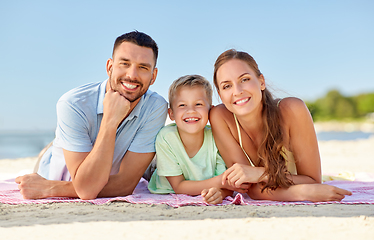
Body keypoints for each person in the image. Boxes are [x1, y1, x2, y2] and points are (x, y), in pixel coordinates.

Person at [15, 31, 168, 200]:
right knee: (54, 154)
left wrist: (52, 189)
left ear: (153, 76)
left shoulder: (156, 106)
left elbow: (124, 184)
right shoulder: (73, 103)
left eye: (143, 67)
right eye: (124, 64)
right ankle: (48, 150)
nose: (132, 75)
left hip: (95, 174)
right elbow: (87, 190)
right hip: (52, 168)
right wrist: (110, 120)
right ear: (110, 67)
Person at [209, 49, 352, 202]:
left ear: (261, 82)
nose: (237, 91)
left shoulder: (292, 110)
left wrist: (258, 174)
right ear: (220, 95)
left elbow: (312, 181)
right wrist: (301, 193)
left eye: (244, 79)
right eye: (227, 86)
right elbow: (249, 187)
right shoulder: (220, 117)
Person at [147, 75, 246, 204]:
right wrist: (220, 182)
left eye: (198, 104)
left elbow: (227, 186)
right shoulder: (166, 137)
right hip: (166, 180)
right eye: (182, 105)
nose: (191, 111)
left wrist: (220, 193)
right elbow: (179, 186)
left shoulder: (217, 136)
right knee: (149, 169)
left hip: (202, 180)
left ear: (210, 110)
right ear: (171, 114)